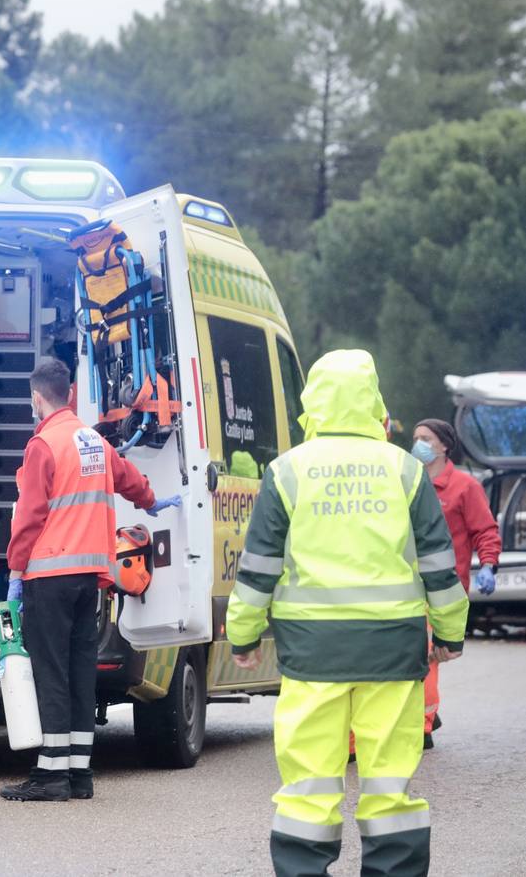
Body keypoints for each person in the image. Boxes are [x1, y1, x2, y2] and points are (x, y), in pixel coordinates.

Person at [227, 349, 469, 877]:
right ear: (374, 402)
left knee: (309, 787)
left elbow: (259, 566)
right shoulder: (406, 470)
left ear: (312, 403)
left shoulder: (287, 471)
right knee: (388, 785)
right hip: (393, 653)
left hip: (313, 657)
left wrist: (242, 637)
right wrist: (451, 634)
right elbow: (438, 564)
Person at [0, 357, 179, 802]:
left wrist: (15, 569)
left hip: (49, 574)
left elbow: (29, 515)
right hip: (90, 580)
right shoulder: (92, 440)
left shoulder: (43, 445)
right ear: (71, 396)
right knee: (80, 672)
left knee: (51, 672)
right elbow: (128, 478)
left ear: (39, 398)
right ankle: (79, 773)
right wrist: (152, 501)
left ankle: (51, 775)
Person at [411, 417, 501, 745]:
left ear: (444, 445)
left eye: (426, 438)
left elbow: (485, 530)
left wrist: (489, 564)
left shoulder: (464, 487)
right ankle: (424, 718)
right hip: (407, 586)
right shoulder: (408, 482)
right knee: (421, 654)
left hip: (446, 588)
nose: (418, 443)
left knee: (428, 655)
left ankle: (423, 723)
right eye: (415, 437)